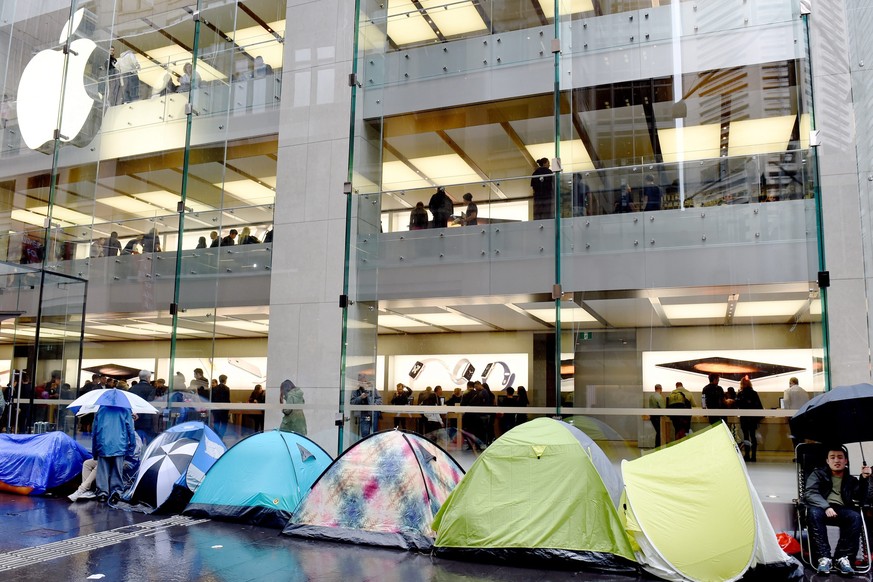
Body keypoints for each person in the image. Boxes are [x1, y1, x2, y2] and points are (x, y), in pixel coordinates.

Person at [804, 447, 873, 575]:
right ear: (827, 460)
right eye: (833, 457)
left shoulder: (851, 480)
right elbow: (810, 493)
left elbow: (861, 498)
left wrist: (864, 479)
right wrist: (826, 507)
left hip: (842, 509)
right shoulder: (818, 474)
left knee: (855, 516)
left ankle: (843, 558)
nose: (836, 460)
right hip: (821, 508)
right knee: (813, 513)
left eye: (840, 457)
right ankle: (824, 558)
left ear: (846, 461)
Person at [92, 403, 136, 502]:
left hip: (103, 444)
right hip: (119, 445)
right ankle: (116, 492)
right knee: (117, 470)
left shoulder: (101, 409)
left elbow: (94, 430)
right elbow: (131, 430)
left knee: (102, 470)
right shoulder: (125, 409)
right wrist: (132, 447)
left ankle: (102, 493)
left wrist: (94, 450)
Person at [736, 376, 763, 462]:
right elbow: (759, 406)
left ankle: (747, 455)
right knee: (753, 436)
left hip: (744, 418)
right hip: (752, 418)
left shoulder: (740, 394)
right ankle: (754, 456)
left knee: (746, 437)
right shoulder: (754, 393)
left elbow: (737, 405)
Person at [130, 370, 156, 444]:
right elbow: (150, 403)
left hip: (134, 417)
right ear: (148, 378)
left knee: (136, 440)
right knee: (148, 441)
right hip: (147, 419)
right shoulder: (151, 389)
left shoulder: (132, 388)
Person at [211, 375, 230, 440]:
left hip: (216, 409)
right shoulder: (227, 388)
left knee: (216, 423)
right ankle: (220, 437)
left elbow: (212, 399)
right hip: (224, 410)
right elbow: (227, 400)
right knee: (224, 424)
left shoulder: (215, 388)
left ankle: (216, 438)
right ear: (225, 380)